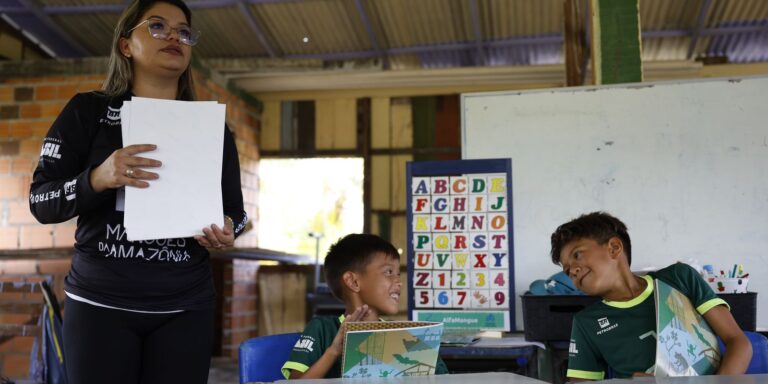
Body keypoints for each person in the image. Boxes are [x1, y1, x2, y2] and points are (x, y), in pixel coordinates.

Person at [28, 1, 247, 383]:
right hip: (99, 304)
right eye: (158, 26)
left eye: (183, 31)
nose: (174, 37)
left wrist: (229, 228)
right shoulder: (87, 112)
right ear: (126, 45)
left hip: (186, 307)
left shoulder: (213, 128)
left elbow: (238, 213)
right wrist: (98, 177)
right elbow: (40, 200)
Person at [550, 212, 752, 381]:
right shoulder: (586, 323)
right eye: (567, 270)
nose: (573, 271)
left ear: (614, 247)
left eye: (577, 254)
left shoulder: (679, 278)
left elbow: (738, 342)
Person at [281, 233, 449, 379]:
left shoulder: (407, 335)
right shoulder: (323, 329)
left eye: (398, 274)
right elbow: (297, 382)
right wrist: (333, 351)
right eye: (388, 272)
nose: (399, 282)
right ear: (353, 282)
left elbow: (442, 379)